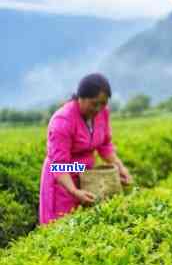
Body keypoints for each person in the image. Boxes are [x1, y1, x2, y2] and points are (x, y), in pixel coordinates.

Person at [38, 73, 133, 225]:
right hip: (62, 181)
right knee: (62, 225)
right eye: (94, 103)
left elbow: (105, 145)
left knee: (84, 223)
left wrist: (121, 168)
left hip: (86, 177)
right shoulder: (62, 121)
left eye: (103, 103)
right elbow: (59, 165)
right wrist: (74, 191)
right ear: (80, 98)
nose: (99, 109)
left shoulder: (102, 114)